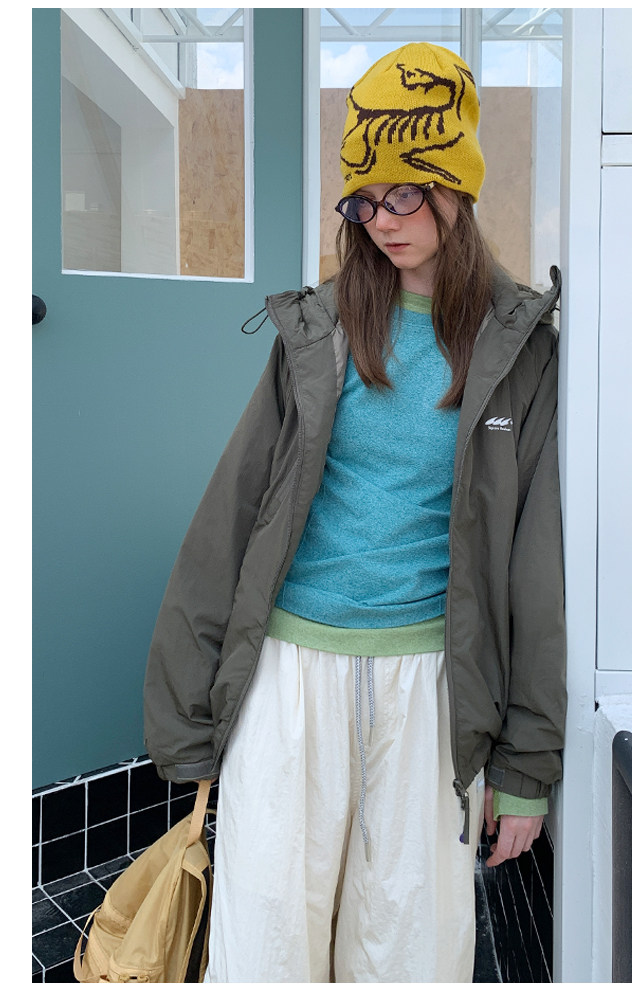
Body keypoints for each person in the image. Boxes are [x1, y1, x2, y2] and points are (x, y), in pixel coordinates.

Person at [143, 42, 566, 984]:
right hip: (290, 674)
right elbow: (231, 517)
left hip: (433, 687)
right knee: (266, 945)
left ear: (457, 186)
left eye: (404, 193)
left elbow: (535, 568)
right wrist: (186, 714)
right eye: (363, 202)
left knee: (408, 952)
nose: (383, 221)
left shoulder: (522, 350)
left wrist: (527, 768)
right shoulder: (320, 328)